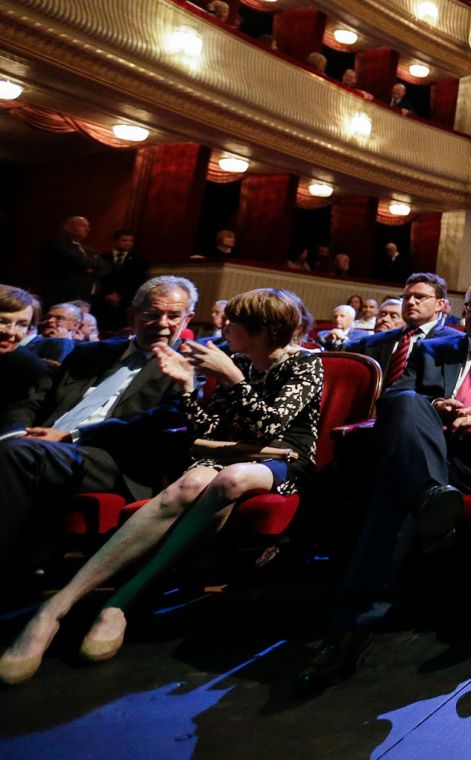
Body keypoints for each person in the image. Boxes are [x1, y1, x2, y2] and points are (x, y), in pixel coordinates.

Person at [1, 289, 322, 683]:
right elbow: (206, 431)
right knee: (187, 487)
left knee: (231, 478)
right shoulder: (237, 361)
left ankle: (123, 600)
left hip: (283, 458)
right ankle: (54, 609)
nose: (223, 327)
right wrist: (189, 386)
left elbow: (269, 427)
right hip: (229, 452)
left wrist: (233, 378)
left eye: (233, 323)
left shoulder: (306, 365)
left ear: (258, 330)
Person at [301, 277, 471, 689]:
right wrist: (435, 406)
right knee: (410, 404)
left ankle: (349, 631)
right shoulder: (434, 348)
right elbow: (394, 396)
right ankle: (430, 498)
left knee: (394, 490)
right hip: (428, 451)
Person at [0, 277, 197, 571]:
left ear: (188, 318)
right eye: (153, 314)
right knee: (13, 447)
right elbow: (34, 400)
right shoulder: (92, 352)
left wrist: (71, 435)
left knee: (17, 454)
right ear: (132, 315)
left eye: (174, 316)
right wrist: (14, 432)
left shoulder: (189, 367)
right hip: (44, 445)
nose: (163, 324)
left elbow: (159, 421)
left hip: (112, 459)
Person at [348, 273, 458, 380]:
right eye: (406, 297)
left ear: (439, 304)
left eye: (420, 297)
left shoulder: (454, 342)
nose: (410, 302)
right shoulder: (372, 342)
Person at [39, 216, 99, 306]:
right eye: (83, 226)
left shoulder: (89, 249)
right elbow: (79, 261)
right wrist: (91, 265)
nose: (88, 229)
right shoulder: (57, 244)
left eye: (88, 226)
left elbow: (105, 266)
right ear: (67, 227)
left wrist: (92, 266)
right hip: (60, 295)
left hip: (82, 296)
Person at [94, 230, 146, 333]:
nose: (127, 243)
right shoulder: (102, 257)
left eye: (130, 241)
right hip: (103, 299)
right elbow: (99, 279)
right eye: (124, 240)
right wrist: (108, 294)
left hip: (126, 301)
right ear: (116, 241)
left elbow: (137, 281)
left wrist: (120, 296)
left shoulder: (139, 260)